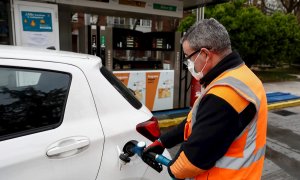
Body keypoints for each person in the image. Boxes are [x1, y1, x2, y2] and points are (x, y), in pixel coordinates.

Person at [144, 18, 268, 180]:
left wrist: (173, 171)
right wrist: (164, 141)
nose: (189, 63)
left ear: (205, 54)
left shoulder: (225, 95)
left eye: (189, 57)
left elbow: (192, 161)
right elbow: (195, 121)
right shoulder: (242, 75)